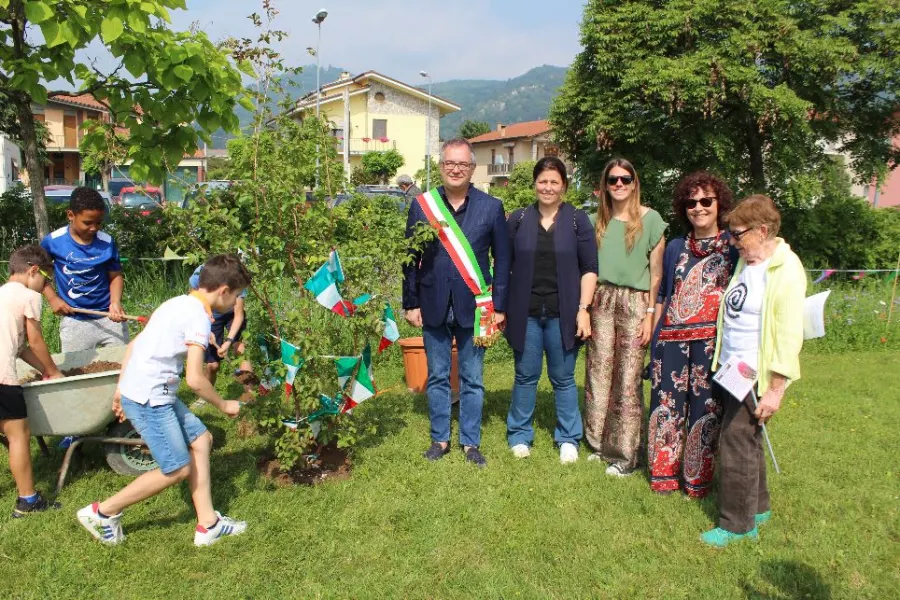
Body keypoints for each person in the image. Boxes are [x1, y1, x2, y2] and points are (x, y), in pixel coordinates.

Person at [77, 254, 251, 546]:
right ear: (223, 290)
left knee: (201, 440)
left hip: (148, 391)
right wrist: (224, 404)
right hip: (151, 399)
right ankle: (103, 512)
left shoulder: (175, 303)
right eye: (235, 296)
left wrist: (121, 388)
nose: (235, 304)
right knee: (177, 469)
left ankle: (208, 524)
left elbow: (135, 344)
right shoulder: (198, 318)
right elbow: (196, 379)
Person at [701, 195, 806, 547]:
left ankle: (737, 524)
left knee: (736, 441)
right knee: (748, 440)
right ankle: (758, 506)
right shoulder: (749, 261)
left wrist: (776, 390)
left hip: (757, 373)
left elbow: (790, 333)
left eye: (738, 234)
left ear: (762, 230)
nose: (733, 241)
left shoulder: (786, 268)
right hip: (734, 366)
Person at [402, 138, 511, 468]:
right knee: (436, 376)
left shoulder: (491, 207)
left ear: (472, 169)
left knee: (473, 378)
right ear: (441, 166)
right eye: (450, 163)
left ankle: (470, 442)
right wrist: (410, 303)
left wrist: (500, 305)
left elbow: (503, 259)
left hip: (476, 307)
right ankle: (440, 438)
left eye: (462, 164)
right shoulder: (422, 205)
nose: (455, 169)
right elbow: (410, 258)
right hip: (432, 302)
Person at [647, 172, 738, 496]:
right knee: (667, 408)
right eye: (691, 202)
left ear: (719, 204)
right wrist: (655, 337)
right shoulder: (675, 247)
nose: (698, 208)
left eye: (706, 201)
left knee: (706, 410)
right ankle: (663, 476)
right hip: (671, 341)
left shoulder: (733, 247)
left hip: (711, 345)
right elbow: (663, 295)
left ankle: (697, 481)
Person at [505, 157, 598, 463]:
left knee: (563, 377)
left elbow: (589, 269)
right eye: (542, 181)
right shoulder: (518, 220)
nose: (547, 187)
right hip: (526, 312)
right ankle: (519, 434)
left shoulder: (577, 220)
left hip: (564, 313)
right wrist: (500, 308)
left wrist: (584, 309)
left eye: (554, 182)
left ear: (564, 186)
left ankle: (568, 436)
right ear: (535, 184)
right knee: (525, 375)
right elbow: (504, 266)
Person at [584, 158, 666, 477]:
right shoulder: (596, 221)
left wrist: (649, 315)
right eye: (613, 179)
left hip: (635, 302)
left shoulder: (651, 220)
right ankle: (597, 444)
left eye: (625, 179)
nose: (619, 185)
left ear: (634, 183)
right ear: (605, 184)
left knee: (628, 377)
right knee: (598, 372)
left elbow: (657, 274)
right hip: (601, 299)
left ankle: (625, 454)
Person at [1, 246, 63, 517]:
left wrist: (46, 370)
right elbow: (35, 340)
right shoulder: (28, 296)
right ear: (33, 271)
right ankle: (28, 501)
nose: (44, 286)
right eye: (45, 280)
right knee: (18, 436)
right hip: (2, 379)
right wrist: (54, 371)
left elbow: (21, 348)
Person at [41, 187, 129, 353]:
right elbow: (38, 273)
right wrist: (52, 299)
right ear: (71, 215)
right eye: (88, 223)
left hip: (109, 318)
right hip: (75, 321)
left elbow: (115, 276)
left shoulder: (107, 242)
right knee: (77, 371)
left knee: (120, 366)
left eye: (99, 223)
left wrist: (115, 302)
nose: (94, 228)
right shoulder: (53, 242)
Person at [189, 264, 252, 386]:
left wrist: (228, 342)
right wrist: (204, 327)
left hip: (232, 315)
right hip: (210, 314)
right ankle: (208, 394)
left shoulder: (238, 279)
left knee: (241, 349)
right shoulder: (201, 274)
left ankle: (250, 394)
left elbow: (238, 315)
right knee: (213, 365)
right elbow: (195, 305)